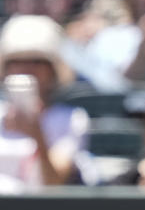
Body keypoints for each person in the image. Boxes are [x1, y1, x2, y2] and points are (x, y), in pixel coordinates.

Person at [0, 15, 90, 191]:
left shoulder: (71, 119)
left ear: (52, 70)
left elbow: (53, 183)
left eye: (37, 61)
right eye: (17, 62)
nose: (26, 69)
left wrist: (36, 133)